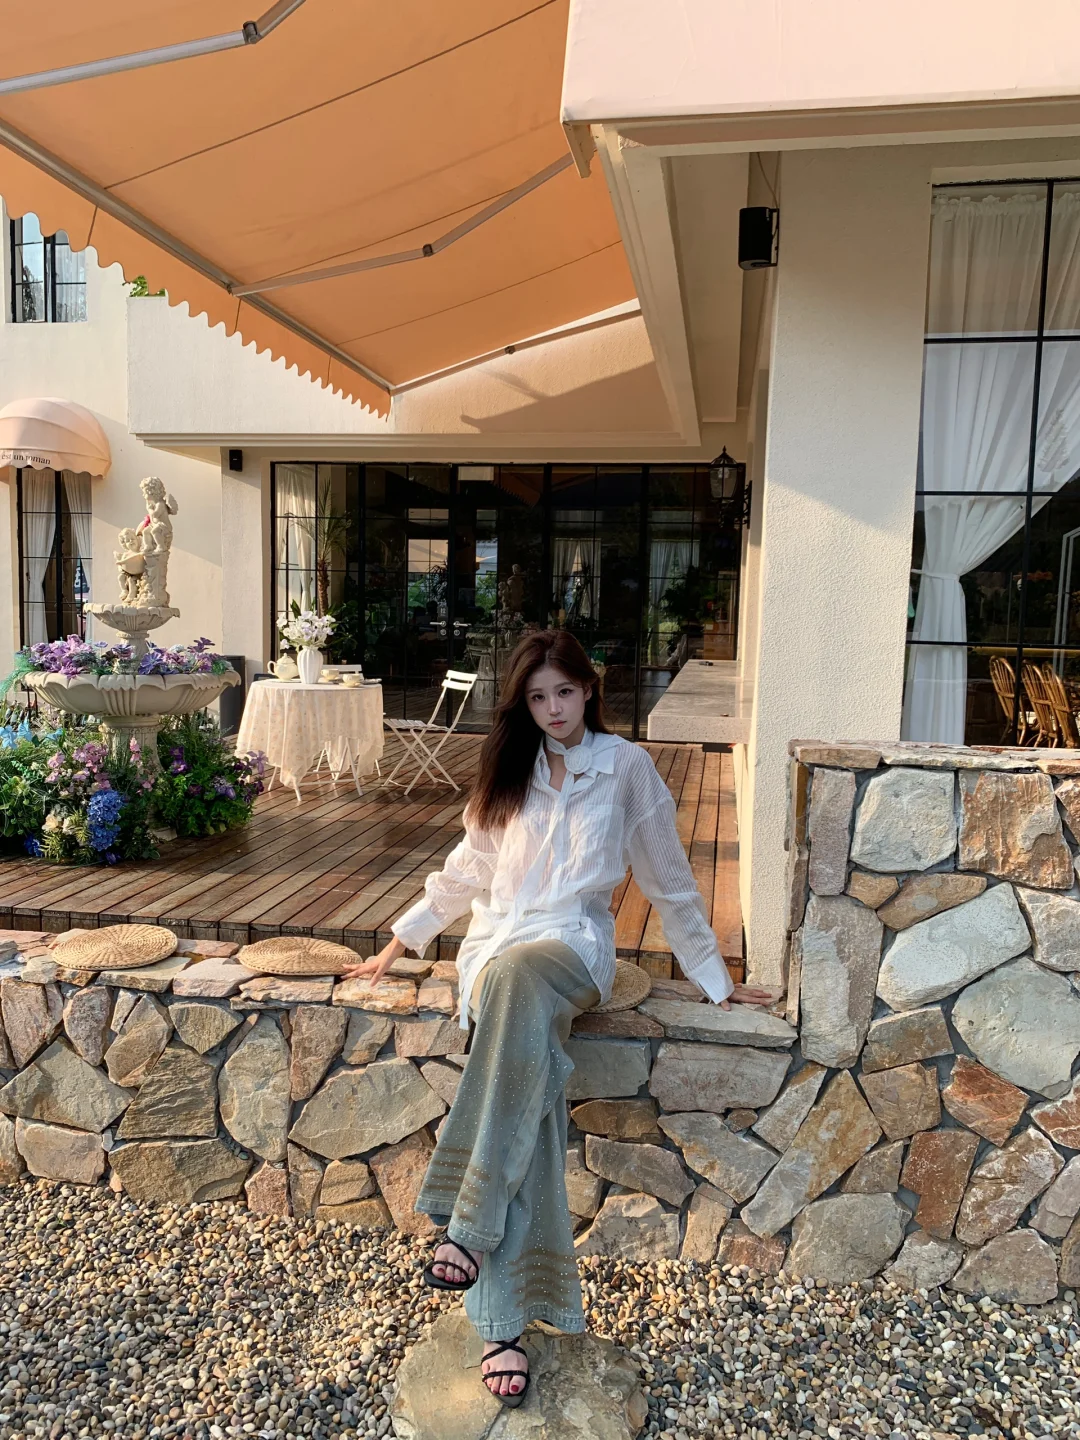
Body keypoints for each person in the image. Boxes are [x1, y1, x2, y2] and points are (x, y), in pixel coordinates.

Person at [340, 630, 772, 1408]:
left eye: (564, 692)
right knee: (530, 1093)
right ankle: (499, 1315)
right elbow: (466, 870)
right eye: (538, 698)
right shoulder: (510, 768)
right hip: (493, 956)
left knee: (519, 986)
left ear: (589, 689)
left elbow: (669, 879)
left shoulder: (626, 767)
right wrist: (399, 944)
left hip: (572, 954)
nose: (553, 709)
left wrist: (715, 980)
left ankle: (472, 1234)